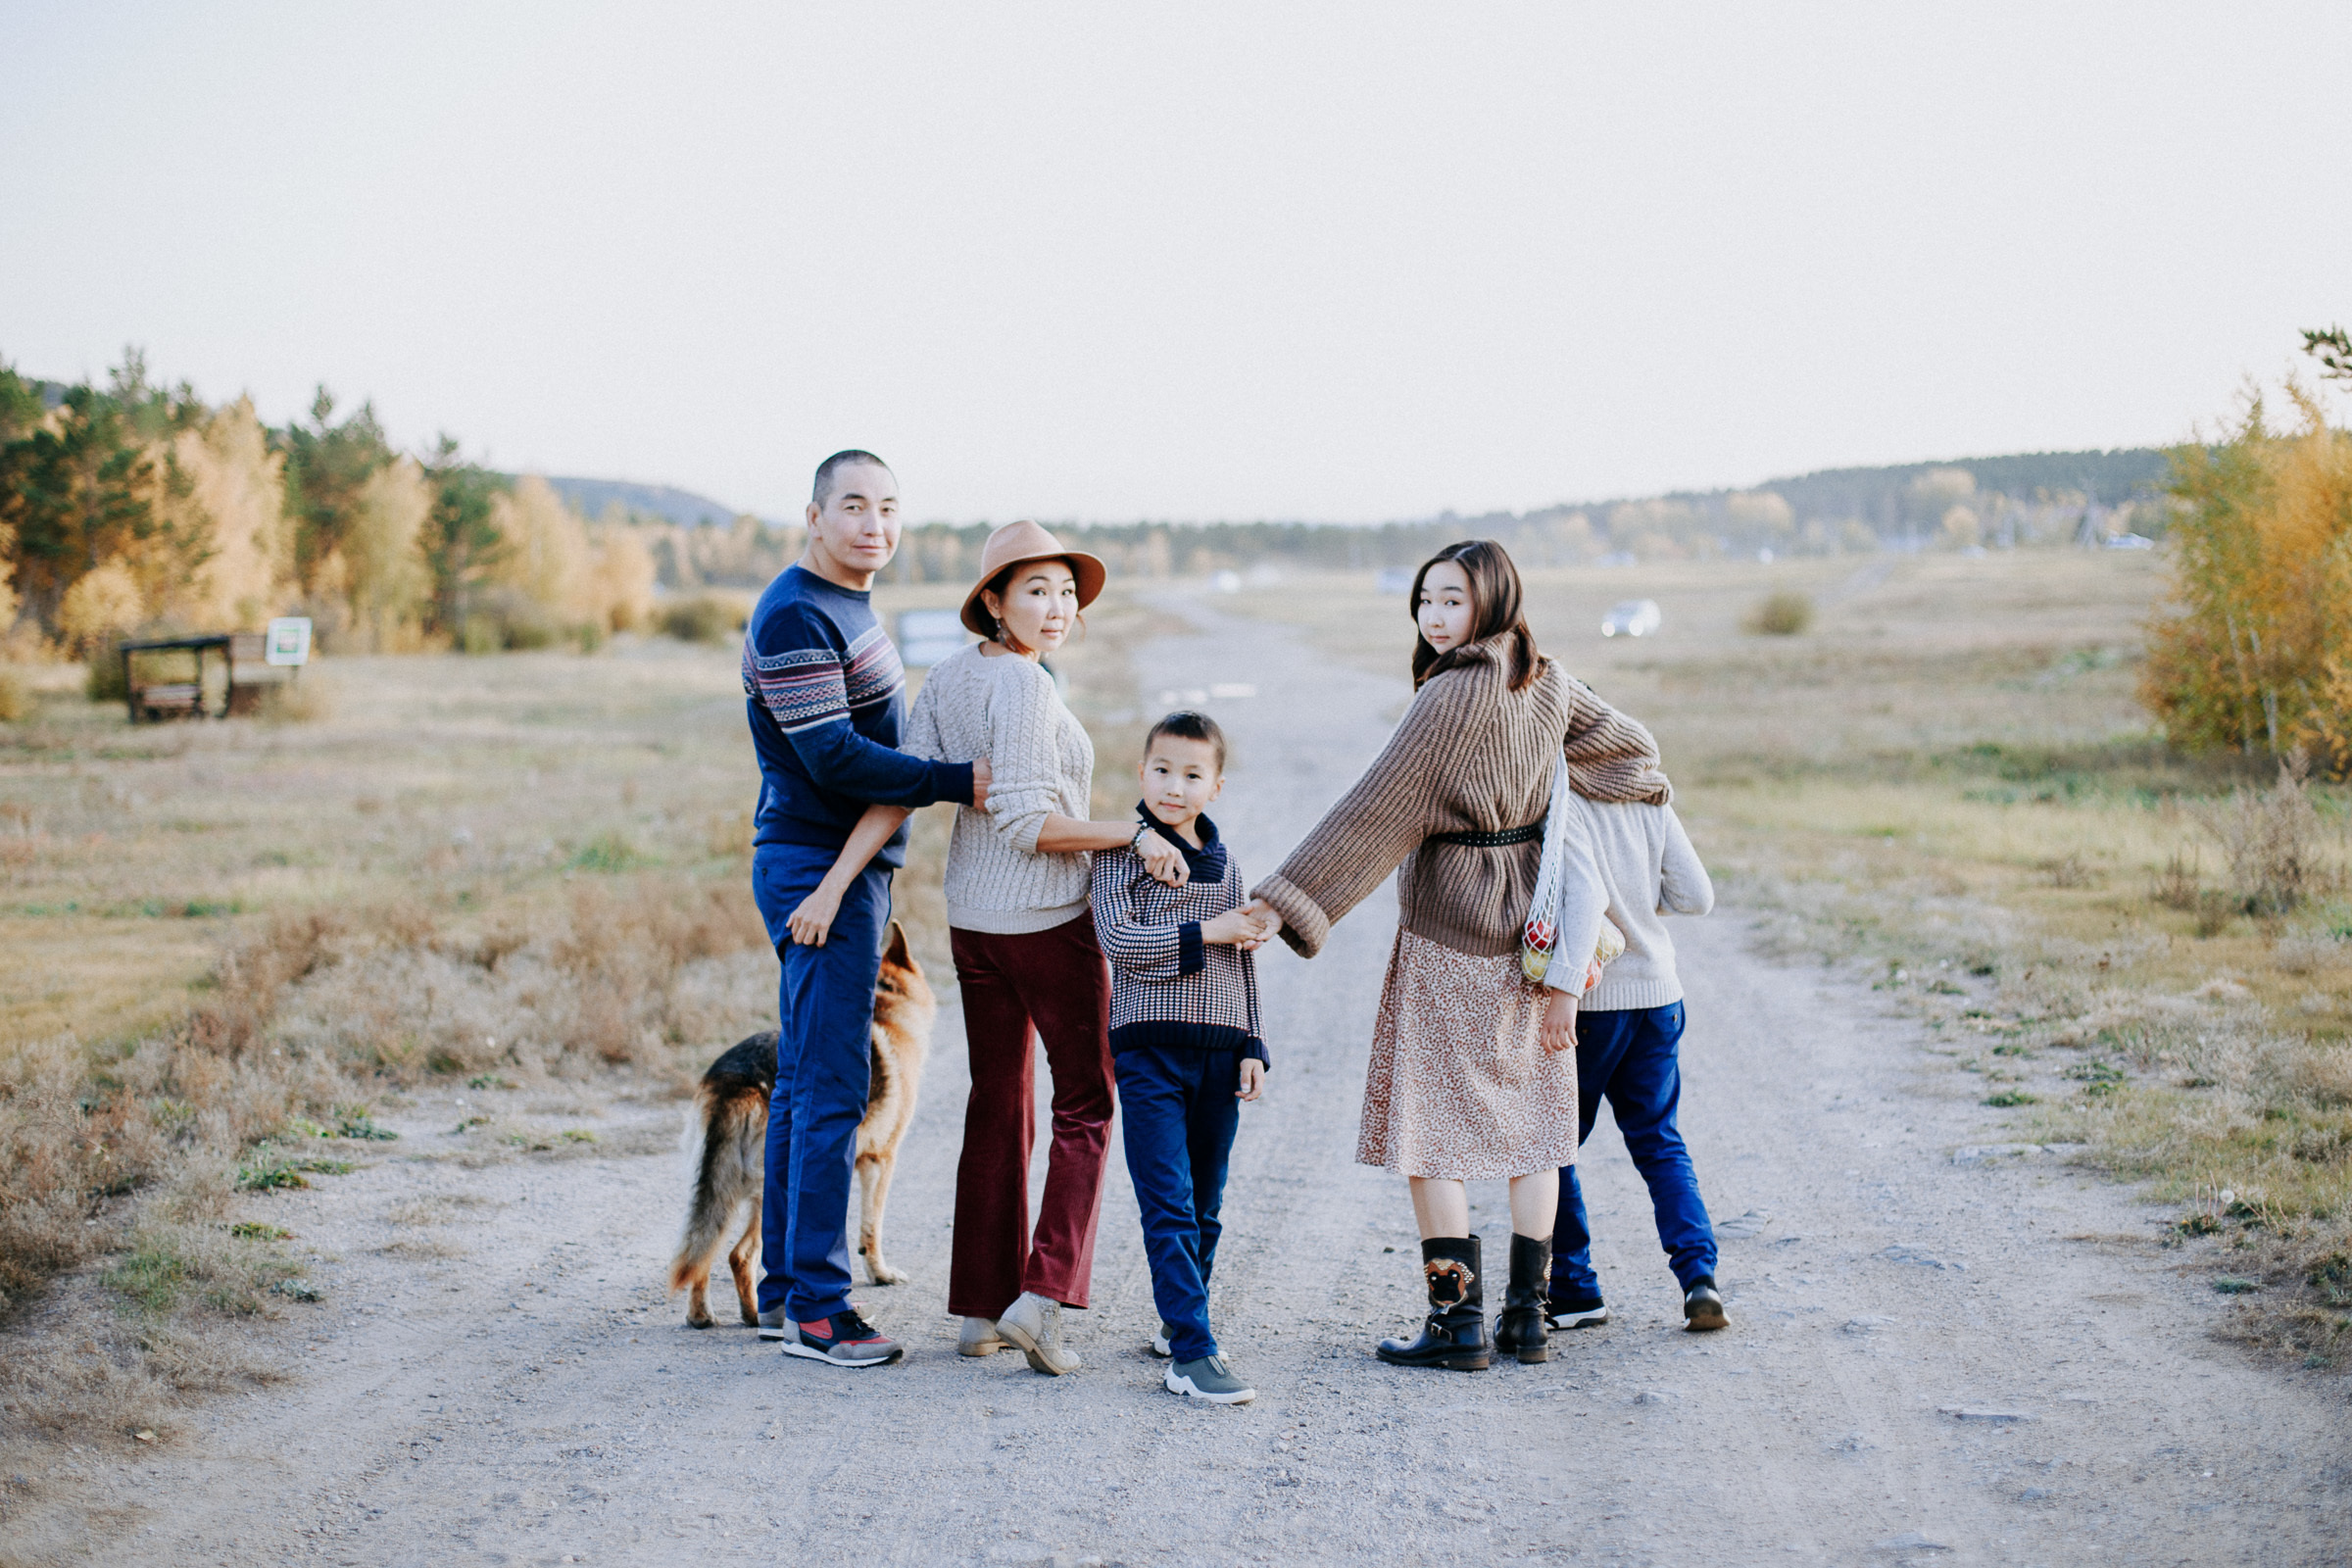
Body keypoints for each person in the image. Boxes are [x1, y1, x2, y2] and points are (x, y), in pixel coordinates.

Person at [1246, 539, 1672, 1371]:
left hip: (1453, 936)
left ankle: (1455, 1326)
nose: (1433, 617)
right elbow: (1632, 752)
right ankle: (1528, 1319)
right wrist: (1618, 793)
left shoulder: (1450, 698)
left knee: (1431, 1133)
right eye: (1425, 601)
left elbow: (1376, 808)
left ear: (1493, 600)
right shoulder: (1545, 677)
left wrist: (1289, 899)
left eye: (1451, 600)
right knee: (1536, 1130)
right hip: (1534, 936)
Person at [807, 519, 1185, 1375]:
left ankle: (981, 1309)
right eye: (1034, 592)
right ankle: (1043, 1301)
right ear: (992, 600)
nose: (1055, 609)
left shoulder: (947, 678)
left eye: (1064, 592)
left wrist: (836, 881)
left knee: (998, 1102)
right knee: (1087, 1104)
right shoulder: (1023, 689)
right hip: (1045, 923)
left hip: (975, 926)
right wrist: (1132, 833)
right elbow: (1024, 822)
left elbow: (901, 790)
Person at [742, 449, 988, 1369]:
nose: (873, 524)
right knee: (833, 1085)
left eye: (888, 507)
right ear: (813, 516)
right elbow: (837, 760)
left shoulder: (849, 603)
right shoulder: (799, 612)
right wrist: (954, 780)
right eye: (853, 506)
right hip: (816, 870)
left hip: (839, 866)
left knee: (808, 1080)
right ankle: (819, 1309)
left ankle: (782, 1293)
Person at [1090, 710, 1273, 1405]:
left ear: (1215, 787)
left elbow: (1244, 962)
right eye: (1163, 770)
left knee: (1206, 1204)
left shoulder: (1227, 865)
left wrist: (1252, 1043)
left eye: (1193, 775)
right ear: (1142, 773)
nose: (1175, 786)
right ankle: (1192, 1351)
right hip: (1148, 1051)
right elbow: (1121, 941)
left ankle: (1178, 1323)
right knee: (1166, 1201)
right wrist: (1207, 931)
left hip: (1220, 1054)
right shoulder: (1120, 854)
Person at [1537, 781, 1722, 1332]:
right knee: (1660, 1141)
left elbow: (1572, 894)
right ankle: (1699, 1279)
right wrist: (1639, 898)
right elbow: (1697, 896)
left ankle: (1574, 1289)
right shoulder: (1648, 795)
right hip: (1660, 994)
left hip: (1590, 1003)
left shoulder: (1558, 796)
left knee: (1552, 1144)